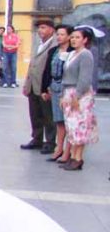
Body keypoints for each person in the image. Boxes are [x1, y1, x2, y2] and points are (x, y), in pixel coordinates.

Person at [59, 27, 99, 171]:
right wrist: (63, 95)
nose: (74, 40)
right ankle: (73, 156)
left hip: (80, 94)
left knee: (80, 125)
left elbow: (85, 77)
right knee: (71, 126)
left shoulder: (85, 55)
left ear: (85, 40)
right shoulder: (71, 55)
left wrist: (77, 95)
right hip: (69, 91)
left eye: (77, 37)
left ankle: (78, 157)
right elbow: (66, 77)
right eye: (73, 37)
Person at [20, 18, 57, 153]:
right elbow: (32, 65)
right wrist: (26, 84)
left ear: (51, 29)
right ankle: (37, 139)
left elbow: (51, 68)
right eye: (39, 28)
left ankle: (50, 142)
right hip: (33, 86)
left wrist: (49, 87)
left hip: (44, 86)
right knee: (35, 115)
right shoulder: (38, 44)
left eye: (43, 28)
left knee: (48, 116)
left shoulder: (54, 45)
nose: (40, 31)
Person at [45, 25, 73, 165]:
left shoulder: (73, 52)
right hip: (55, 86)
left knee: (68, 121)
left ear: (69, 36)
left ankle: (68, 152)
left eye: (62, 34)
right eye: (58, 34)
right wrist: (46, 87)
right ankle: (58, 148)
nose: (59, 37)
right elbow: (47, 70)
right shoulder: (54, 51)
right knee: (58, 120)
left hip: (67, 88)